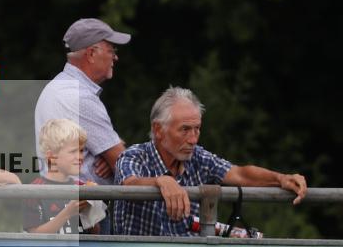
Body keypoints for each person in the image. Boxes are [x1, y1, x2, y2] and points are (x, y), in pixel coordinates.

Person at [114, 87, 307, 236]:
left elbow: (239, 174)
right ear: (158, 130)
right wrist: (160, 181)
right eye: (185, 129)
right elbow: (128, 185)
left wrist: (281, 179)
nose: (193, 139)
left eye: (197, 129)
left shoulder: (197, 157)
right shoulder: (134, 155)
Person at [34, 18, 131, 187]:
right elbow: (123, 164)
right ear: (91, 54)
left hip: (60, 197)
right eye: (111, 50)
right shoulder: (80, 97)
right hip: (82, 202)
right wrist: (112, 157)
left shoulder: (58, 86)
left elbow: (114, 154)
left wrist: (110, 153)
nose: (115, 57)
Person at [24, 119, 102, 235]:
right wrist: (68, 212)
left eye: (81, 151)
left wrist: (90, 211)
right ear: (51, 157)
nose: (80, 157)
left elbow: (95, 233)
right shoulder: (34, 190)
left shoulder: (81, 187)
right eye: (73, 151)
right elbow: (34, 235)